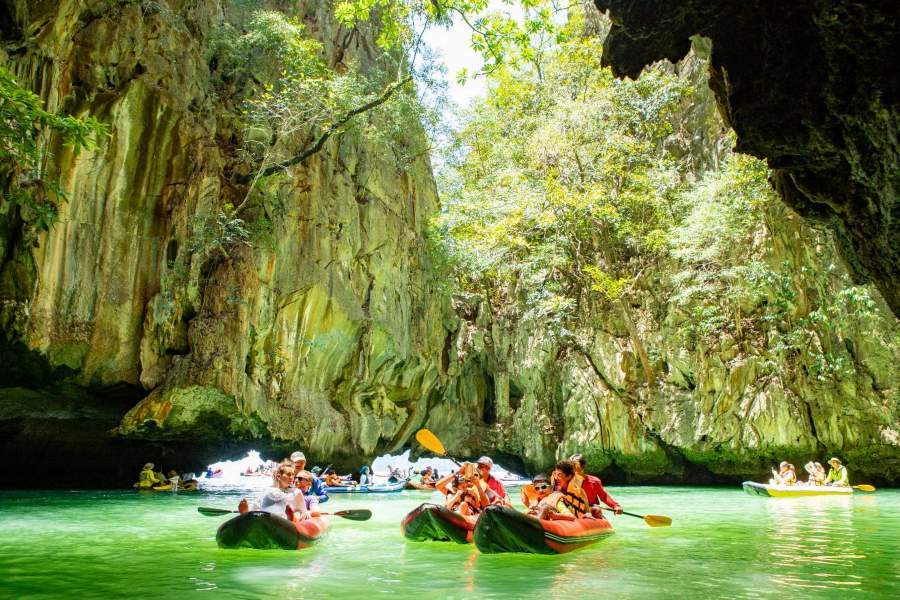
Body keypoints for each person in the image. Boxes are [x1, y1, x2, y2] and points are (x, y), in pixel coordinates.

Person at [239, 461, 309, 522]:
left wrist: (300, 514)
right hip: (267, 519)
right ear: (278, 476)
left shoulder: (296, 492)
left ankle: (290, 518)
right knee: (258, 511)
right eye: (288, 474)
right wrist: (248, 512)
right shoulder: (267, 491)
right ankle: (245, 515)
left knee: (297, 513)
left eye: (293, 475)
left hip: (287, 520)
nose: (291, 477)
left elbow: (303, 512)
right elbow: (256, 508)